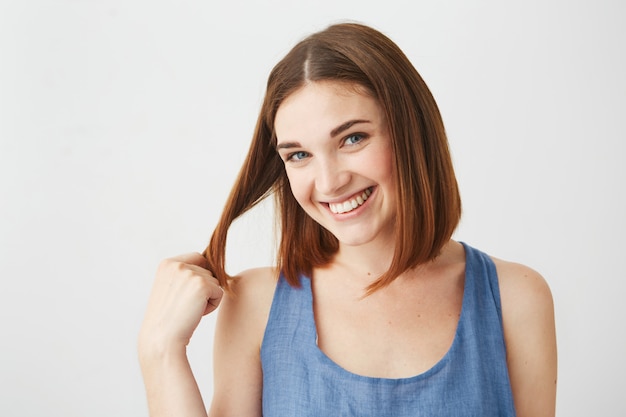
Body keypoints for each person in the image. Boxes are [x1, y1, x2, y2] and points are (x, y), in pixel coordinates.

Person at [138, 22, 557, 417]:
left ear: (411, 131)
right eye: (299, 155)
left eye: (352, 138)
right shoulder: (255, 304)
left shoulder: (515, 298)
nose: (329, 181)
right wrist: (160, 350)